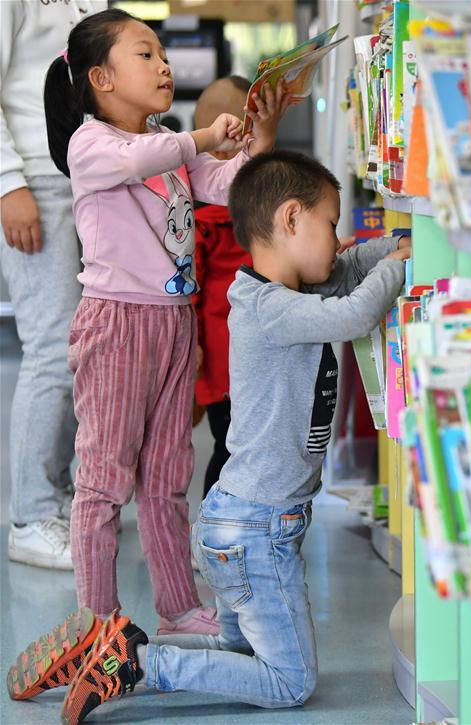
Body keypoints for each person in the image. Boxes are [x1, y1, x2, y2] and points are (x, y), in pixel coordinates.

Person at [7, 150, 412, 724]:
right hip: (255, 532)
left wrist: (394, 246)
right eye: (330, 223)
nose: (338, 237)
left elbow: (348, 267)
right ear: (293, 220)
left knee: (237, 654)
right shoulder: (271, 307)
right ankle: (137, 665)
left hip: (241, 524)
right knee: (289, 680)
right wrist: (397, 268)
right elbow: (353, 314)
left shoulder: (285, 288)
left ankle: (108, 649)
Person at [40, 9, 296, 637]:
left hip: (173, 323)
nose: (163, 65)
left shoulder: (166, 143)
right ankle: (96, 624)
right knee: (103, 481)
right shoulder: (92, 145)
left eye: (162, 54)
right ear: (100, 78)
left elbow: (230, 188)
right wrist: (203, 136)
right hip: (118, 325)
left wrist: (257, 139)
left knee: (166, 475)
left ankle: (178, 607)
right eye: (145, 54)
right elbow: (146, 158)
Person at [1, 0, 106, 570]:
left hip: (87, 172)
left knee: (79, 348)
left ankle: (58, 497)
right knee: (49, 347)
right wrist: (6, 182)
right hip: (34, 178)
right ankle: (29, 517)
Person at [190, 75, 253, 497]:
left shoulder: (254, 210)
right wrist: (190, 343)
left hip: (250, 353)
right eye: (249, 142)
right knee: (229, 447)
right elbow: (187, 288)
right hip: (220, 356)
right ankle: (212, 532)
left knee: (243, 447)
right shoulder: (202, 223)